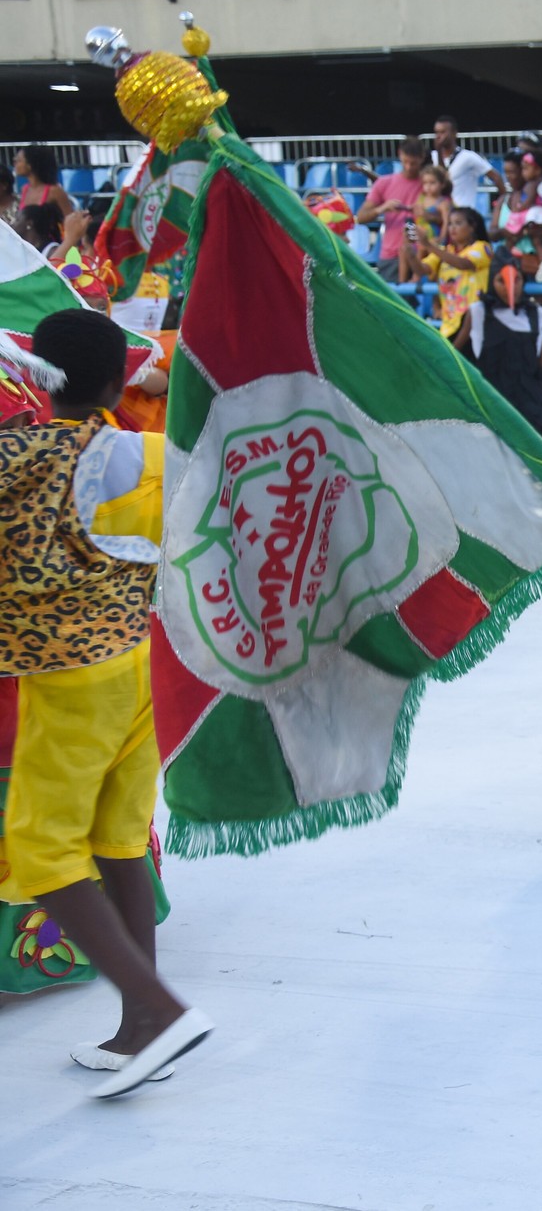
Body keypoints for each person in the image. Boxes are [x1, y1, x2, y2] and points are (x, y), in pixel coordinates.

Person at [0, 308, 213, 1097]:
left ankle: (162, 1008)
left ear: (36, 375)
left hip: (69, 678)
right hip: (140, 666)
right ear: (119, 382)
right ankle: (137, 1030)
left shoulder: (16, 457)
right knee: (120, 840)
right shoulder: (154, 454)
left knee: (40, 848)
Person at [443, 244, 542, 446]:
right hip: (493, 398)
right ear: (492, 281)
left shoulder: (535, 314)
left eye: (517, 280)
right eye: (502, 281)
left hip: (529, 400)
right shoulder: (479, 311)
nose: (511, 287)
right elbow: (457, 350)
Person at [402, 205, 491, 339]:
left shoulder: (482, 248)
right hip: (449, 326)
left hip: (475, 324)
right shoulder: (444, 251)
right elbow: (422, 271)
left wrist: (429, 245)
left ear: (472, 227)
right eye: (449, 224)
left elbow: (463, 264)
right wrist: (410, 254)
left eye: (458, 223)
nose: (452, 228)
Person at [356, 136, 428, 283]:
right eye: (405, 162)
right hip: (391, 255)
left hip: (424, 253)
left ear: (422, 158)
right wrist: (382, 208)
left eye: (413, 163)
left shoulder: (430, 183)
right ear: (400, 154)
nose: (408, 167)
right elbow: (361, 217)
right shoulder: (384, 183)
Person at [428, 114, 506, 215]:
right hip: (440, 213)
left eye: (443, 132)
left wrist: (503, 205)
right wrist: (439, 152)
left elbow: (496, 177)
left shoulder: (468, 157)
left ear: (454, 133)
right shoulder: (432, 156)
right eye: (436, 132)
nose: (438, 136)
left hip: (463, 213)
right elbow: (441, 180)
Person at [397, 163, 454, 287]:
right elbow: (413, 211)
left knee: (423, 247)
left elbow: (446, 222)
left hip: (434, 238)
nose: (428, 187)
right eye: (425, 183)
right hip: (419, 235)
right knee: (403, 249)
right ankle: (401, 281)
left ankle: (416, 276)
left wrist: (442, 239)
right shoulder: (421, 198)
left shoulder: (443, 202)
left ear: (442, 184)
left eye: (432, 183)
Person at [13, 144, 74, 218]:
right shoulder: (25, 189)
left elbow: (69, 218)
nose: (15, 163)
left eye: (19, 160)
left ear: (30, 165)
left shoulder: (55, 191)